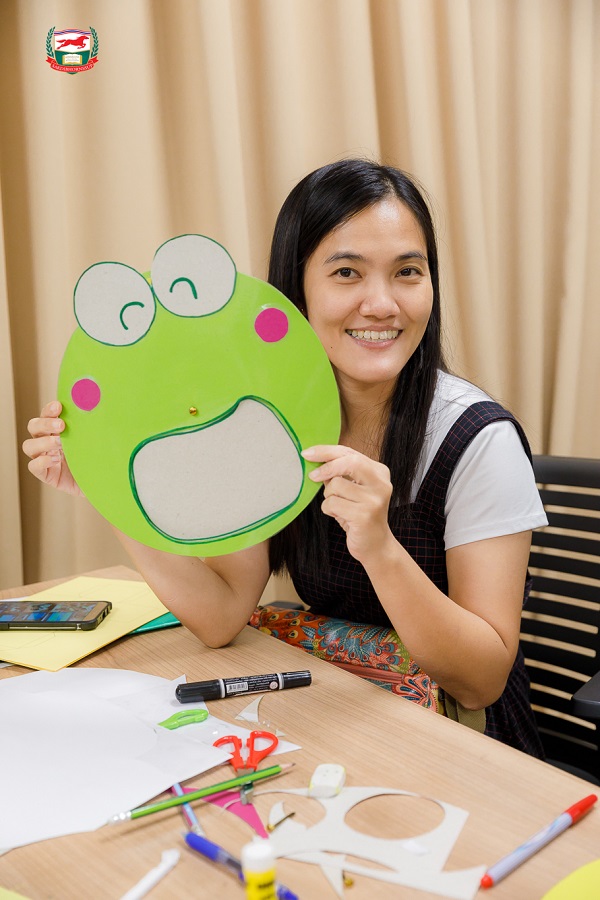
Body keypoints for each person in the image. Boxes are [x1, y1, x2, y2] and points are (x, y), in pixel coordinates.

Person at [23, 158, 548, 756]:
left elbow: (482, 681)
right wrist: (108, 487)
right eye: (347, 272)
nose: (382, 303)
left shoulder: (477, 439)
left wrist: (378, 547)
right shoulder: (267, 419)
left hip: (467, 740)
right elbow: (221, 616)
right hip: (343, 708)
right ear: (295, 288)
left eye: (408, 272)